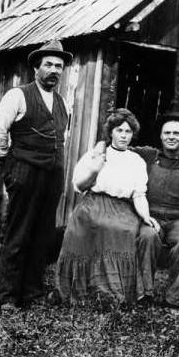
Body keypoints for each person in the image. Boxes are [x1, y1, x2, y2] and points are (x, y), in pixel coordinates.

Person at [0, 40, 72, 310]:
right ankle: (8, 296)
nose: (54, 70)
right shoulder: (18, 96)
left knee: (43, 234)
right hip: (24, 173)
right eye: (48, 64)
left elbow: (61, 139)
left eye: (58, 66)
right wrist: (11, 163)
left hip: (52, 176)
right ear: (36, 67)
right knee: (19, 232)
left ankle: (32, 293)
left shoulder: (63, 104)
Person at [56, 108, 154, 304]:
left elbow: (139, 195)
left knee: (120, 230)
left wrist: (146, 216)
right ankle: (81, 288)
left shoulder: (136, 161)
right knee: (81, 228)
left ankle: (112, 292)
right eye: (119, 130)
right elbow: (79, 186)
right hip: (93, 203)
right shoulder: (97, 155)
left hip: (122, 209)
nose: (124, 136)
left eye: (128, 132)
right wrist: (95, 168)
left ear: (132, 134)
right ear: (111, 133)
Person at [133, 111, 179, 308]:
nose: (171, 137)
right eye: (167, 133)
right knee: (147, 238)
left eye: (176, 133)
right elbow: (119, 146)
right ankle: (144, 294)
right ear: (160, 136)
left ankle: (173, 298)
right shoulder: (148, 156)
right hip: (151, 217)